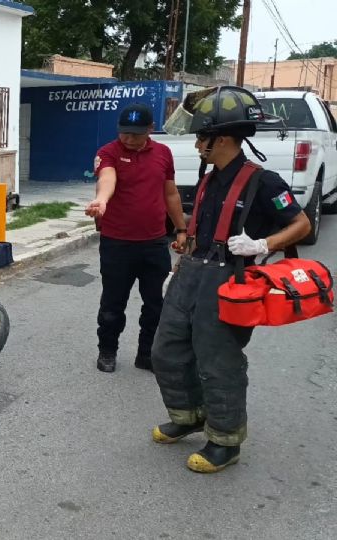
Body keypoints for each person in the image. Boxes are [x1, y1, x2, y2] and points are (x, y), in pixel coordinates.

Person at [150, 86, 311, 473]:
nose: (197, 142)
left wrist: (261, 243)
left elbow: (301, 224)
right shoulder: (209, 177)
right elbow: (200, 225)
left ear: (221, 138)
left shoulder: (264, 181)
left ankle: (225, 440)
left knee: (218, 362)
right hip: (192, 273)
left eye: (201, 136)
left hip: (228, 281)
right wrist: (183, 253)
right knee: (166, 350)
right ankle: (189, 414)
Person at [85, 103, 187, 374]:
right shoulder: (109, 152)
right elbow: (107, 178)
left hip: (154, 243)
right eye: (124, 133)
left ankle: (146, 354)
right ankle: (107, 351)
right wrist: (101, 200)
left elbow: (171, 194)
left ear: (151, 129)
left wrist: (181, 229)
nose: (128, 139)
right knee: (112, 304)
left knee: (156, 305)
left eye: (136, 134)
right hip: (116, 243)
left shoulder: (163, 153)